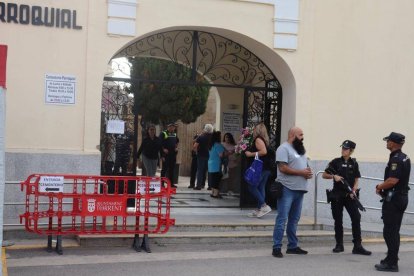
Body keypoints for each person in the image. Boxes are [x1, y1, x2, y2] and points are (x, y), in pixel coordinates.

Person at [322, 140, 371, 255]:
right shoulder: (335, 162)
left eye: (346, 149)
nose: (343, 150)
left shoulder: (354, 163)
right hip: (337, 195)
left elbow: (356, 179)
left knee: (356, 217)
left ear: (351, 151)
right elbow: (324, 175)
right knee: (338, 220)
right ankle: (339, 244)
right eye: (343, 148)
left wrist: (354, 190)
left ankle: (357, 245)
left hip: (349, 195)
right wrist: (334, 176)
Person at [272, 126, 313, 258]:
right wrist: (301, 172)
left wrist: (308, 172)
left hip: (300, 190)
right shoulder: (283, 148)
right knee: (282, 218)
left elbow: (303, 166)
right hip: (286, 189)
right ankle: (277, 247)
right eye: (300, 134)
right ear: (292, 135)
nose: (303, 137)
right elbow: (282, 168)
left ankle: (292, 246)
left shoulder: (300, 149)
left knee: (294, 220)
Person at [374, 132, 410, 272]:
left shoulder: (396, 159)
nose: (387, 143)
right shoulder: (404, 157)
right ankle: (391, 258)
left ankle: (392, 263)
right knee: (394, 231)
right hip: (400, 197)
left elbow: (392, 180)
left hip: (394, 199)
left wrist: (379, 187)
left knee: (390, 231)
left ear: (394, 143)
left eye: (388, 141)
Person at [244, 123, 272, 218]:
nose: (253, 131)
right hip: (266, 167)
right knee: (261, 187)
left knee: (251, 186)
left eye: (254, 129)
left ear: (258, 130)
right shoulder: (265, 140)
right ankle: (259, 209)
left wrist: (250, 154)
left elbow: (263, 152)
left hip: (260, 168)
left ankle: (264, 206)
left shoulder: (258, 139)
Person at [193, 124, 214, 190]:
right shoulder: (213, 137)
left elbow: (195, 146)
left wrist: (196, 151)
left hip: (201, 155)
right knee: (210, 171)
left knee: (200, 170)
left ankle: (199, 186)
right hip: (210, 156)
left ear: (205, 129)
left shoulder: (201, 137)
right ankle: (210, 186)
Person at [160, 122, 179, 188]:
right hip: (166, 155)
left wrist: (176, 147)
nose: (172, 128)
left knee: (172, 169)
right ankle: (161, 183)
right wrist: (163, 149)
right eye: (170, 126)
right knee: (164, 169)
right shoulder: (163, 133)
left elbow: (177, 142)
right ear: (168, 127)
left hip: (173, 154)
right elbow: (160, 143)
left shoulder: (174, 134)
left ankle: (171, 184)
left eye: (173, 127)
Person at [208, 131, 226, 198]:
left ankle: (213, 193)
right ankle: (216, 194)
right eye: (220, 136)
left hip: (210, 164)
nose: (221, 137)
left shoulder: (211, 145)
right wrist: (228, 153)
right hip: (216, 164)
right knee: (217, 179)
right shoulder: (218, 145)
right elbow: (221, 155)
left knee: (213, 178)